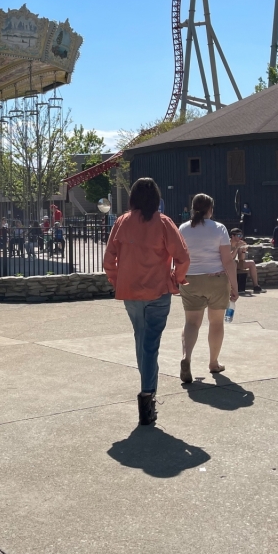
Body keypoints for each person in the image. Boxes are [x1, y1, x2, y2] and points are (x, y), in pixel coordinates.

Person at [103, 177, 190, 426]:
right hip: (158, 291)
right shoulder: (163, 223)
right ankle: (147, 396)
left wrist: (118, 280)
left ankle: (147, 393)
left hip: (130, 292)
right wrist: (176, 279)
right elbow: (183, 257)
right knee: (150, 344)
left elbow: (109, 260)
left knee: (141, 340)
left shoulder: (122, 222)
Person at [178, 193, 238, 380]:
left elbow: (179, 256)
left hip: (191, 280)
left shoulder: (183, 228)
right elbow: (227, 260)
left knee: (191, 322)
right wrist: (235, 286)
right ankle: (213, 362)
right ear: (210, 209)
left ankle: (186, 357)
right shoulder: (219, 228)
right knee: (216, 322)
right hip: (216, 279)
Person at [230, 228, 263, 293]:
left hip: (235, 263)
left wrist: (243, 251)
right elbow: (230, 258)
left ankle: (256, 286)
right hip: (227, 263)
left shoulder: (239, 243)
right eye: (238, 236)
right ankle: (233, 288)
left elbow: (241, 259)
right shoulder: (227, 243)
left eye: (241, 236)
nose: (240, 238)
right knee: (234, 263)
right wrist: (236, 247)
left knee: (251, 263)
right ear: (233, 236)